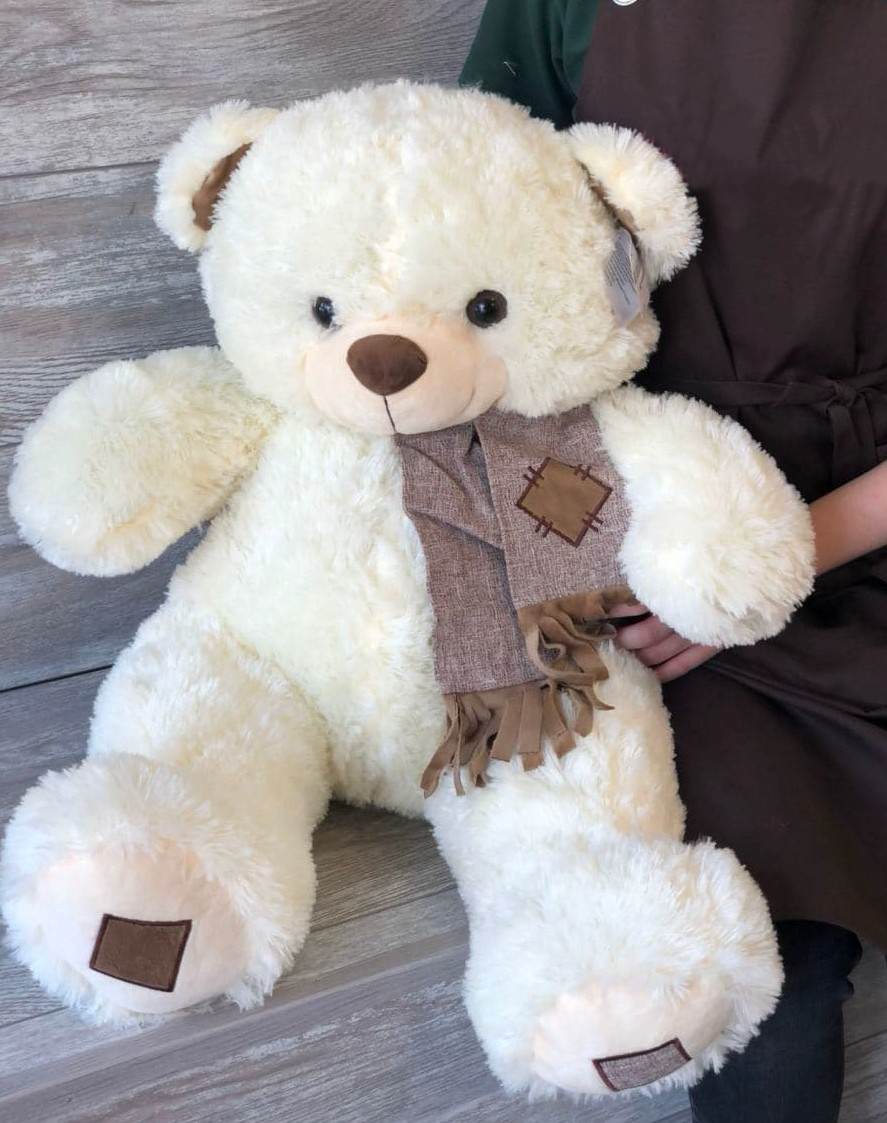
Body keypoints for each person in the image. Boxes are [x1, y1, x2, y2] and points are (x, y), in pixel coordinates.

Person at [460, 3, 887, 1121]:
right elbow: (465, 266)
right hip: (641, 515)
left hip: (850, 523)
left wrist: (768, 558)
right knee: (762, 961)